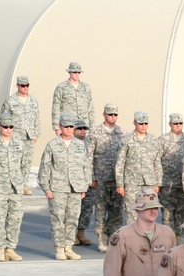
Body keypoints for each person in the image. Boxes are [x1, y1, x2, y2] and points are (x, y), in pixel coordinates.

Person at [38, 113, 93, 260]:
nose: (69, 129)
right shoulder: (52, 145)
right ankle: (59, 248)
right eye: (66, 126)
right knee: (58, 219)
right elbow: (45, 167)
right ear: (60, 127)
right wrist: (46, 188)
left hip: (75, 188)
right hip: (58, 188)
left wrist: (84, 187)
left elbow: (86, 167)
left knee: (72, 218)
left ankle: (68, 247)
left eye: (71, 126)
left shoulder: (80, 145)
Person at [0, 114, 28, 262]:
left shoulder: (19, 144)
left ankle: (11, 249)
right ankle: (0, 250)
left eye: (11, 127)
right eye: (5, 126)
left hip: (16, 187)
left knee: (15, 219)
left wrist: (22, 182)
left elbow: (24, 165)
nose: (8, 129)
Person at [86, 103, 126, 250]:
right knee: (101, 209)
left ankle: (113, 237)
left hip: (117, 179)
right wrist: (91, 178)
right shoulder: (95, 133)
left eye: (115, 114)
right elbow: (89, 156)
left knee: (116, 210)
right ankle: (101, 238)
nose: (113, 117)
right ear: (104, 115)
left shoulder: (122, 133)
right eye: (110, 114)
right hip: (101, 177)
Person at [115, 111, 162, 224]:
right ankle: (133, 239)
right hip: (132, 182)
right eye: (141, 123)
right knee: (132, 213)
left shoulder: (153, 140)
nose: (143, 126)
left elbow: (157, 162)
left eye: (146, 123)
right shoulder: (126, 140)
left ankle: (147, 239)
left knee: (149, 212)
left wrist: (158, 183)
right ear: (134, 123)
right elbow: (120, 163)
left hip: (149, 182)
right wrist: (120, 184)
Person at [0, 76, 41, 186]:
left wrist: (36, 133)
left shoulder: (33, 101)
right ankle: (12, 185)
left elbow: (37, 118)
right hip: (15, 136)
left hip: (29, 136)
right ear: (17, 85)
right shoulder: (10, 101)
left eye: (27, 85)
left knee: (26, 162)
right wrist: (6, 134)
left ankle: (23, 185)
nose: (25, 87)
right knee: (14, 161)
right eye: (22, 85)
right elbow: (4, 118)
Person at [158, 113, 184, 234]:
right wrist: (158, 183)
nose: (178, 126)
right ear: (170, 124)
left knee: (182, 214)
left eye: (180, 123)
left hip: (183, 184)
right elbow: (157, 161)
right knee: (167, 214)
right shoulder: (163, 140)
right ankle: (168, 239)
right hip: (168, 183)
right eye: (175, 123)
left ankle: (178, 239)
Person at [72, 118, 96, 247]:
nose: (82, 131)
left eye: (84, 129)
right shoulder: (71, 143)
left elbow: (93, 162)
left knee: (87, 209)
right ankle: (71, 234)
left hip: (89, 182)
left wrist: (93, 178)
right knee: (73, 209)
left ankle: (81, 233)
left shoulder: (89, 143)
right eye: (79, 128)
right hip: (74, 182)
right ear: (74, 130)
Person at [51, 62, 93, 132]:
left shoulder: (86, 88)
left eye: (79, 72)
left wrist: (92, 126)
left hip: (84, 125)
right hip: (68, 125)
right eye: (75, 72)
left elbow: (90, 108)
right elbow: (56, 107)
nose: (77, 74)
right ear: (69, 72)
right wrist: (56, 127)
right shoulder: (61, 87)